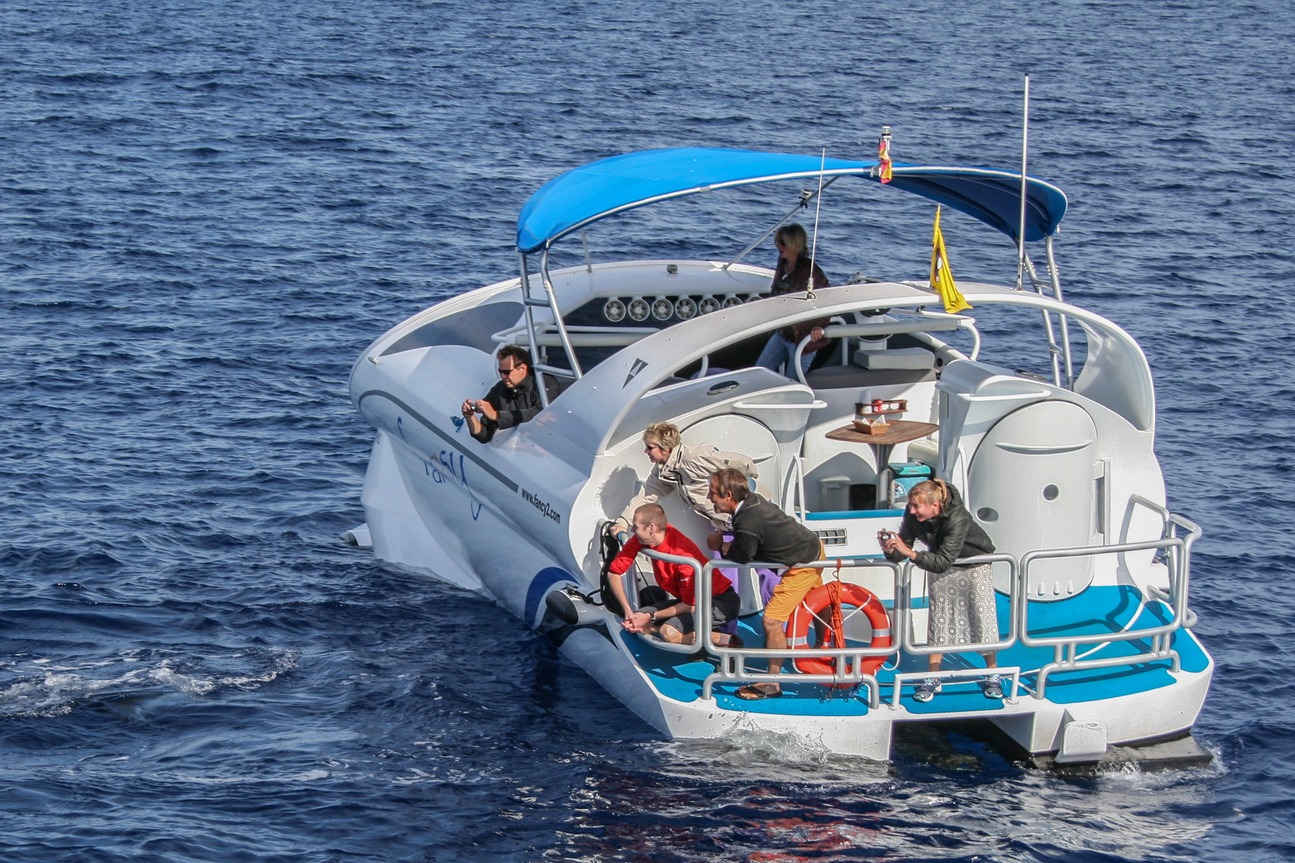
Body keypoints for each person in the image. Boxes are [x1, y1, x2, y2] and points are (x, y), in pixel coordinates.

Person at [706, 467, 825, 699]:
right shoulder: (752, 501)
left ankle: (773, 682)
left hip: (803, 564)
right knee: (816, 603)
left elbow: (743, 557)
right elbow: (750, 545)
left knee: (771, 622)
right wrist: (731, 545)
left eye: (713, 493)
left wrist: (719, 544)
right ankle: (823, 647)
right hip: (812, 548)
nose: (709, 497)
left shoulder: (747, 520)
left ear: (728, 496)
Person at [878, 478, 1002, 702]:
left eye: (916, 506)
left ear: (934, 506)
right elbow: (904, 550)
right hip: (939, 562)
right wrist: (890, 549)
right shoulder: (912, 515)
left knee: (981, 617)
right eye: (910, 505)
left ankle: (993, 673)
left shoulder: (957, 517)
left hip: (974, 564)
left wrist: (910, 553)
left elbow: (941, 560)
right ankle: (933, 677)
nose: (911, 510)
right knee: (939, 620)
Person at [606, 503, 742, 648]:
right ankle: (690, 636)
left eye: (635, 526)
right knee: (637, 616)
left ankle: (726, 639)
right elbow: (614, 572)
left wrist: (650, 617)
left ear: (651, 528)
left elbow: (690, 605)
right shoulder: (642, 538)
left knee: (668, 632)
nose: (632, 530)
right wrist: (628, 611)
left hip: (719, 601)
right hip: (689, 601)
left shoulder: (684, 558)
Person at [613, 422, 757, 538]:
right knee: (723, 564)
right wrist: (623, 522)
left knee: (758, 561)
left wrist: (752, 478)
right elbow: (645, 496)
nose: (646, 451)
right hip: (724, 525)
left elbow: (742, 462)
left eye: (649, 447)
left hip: (747, 518)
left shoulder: (695, 458)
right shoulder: (664, 470)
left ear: (665, 448)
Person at [754, 223, 831, 377]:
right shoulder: (783, 265)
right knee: (758, 372)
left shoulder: (810, 271)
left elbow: (827, 298)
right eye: (778, 242)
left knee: (792, 381)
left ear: (794, 244)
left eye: (783, 242)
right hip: (783, 333)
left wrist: (819, 325)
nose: (778, 246)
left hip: (803, 338)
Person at [460, 345, 544, 443]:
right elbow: (484, 435)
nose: (503, 376)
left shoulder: (544, 384)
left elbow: (541, 415)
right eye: (500, 372)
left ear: (522, 368)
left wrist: (496, 415)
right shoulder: (499, 390)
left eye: (507, 372)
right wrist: (470, 416)